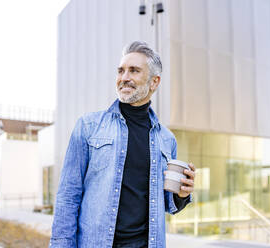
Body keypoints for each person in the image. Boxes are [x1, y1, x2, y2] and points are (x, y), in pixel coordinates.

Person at [50, 41, 195, 248]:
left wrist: (182, 195)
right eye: (121, 71)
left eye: (134, 71)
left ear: (154, 82)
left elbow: (166, 203)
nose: (124, 78)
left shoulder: (166, 139)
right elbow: (68, 196)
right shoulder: (88, 127)